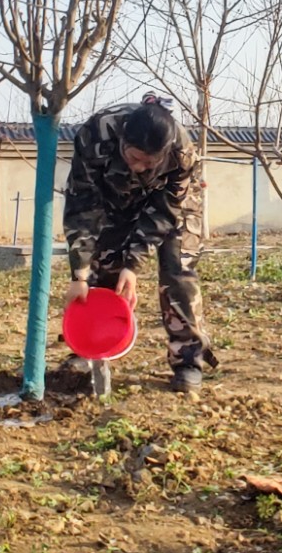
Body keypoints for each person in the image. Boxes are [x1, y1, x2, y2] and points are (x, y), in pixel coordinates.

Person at [63, 95, 216, 392]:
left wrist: (133, 265)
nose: (139, 168)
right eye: (133, 158)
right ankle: (92, 349)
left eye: (150, 163)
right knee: (103, 265)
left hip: (173, 207)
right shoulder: (96, 134)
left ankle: (187, 360)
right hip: (114, 200)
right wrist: (78, 273)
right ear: (122, 140)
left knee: (178, 272)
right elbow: (82, 204)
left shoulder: (182, 153)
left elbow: (165, 210)